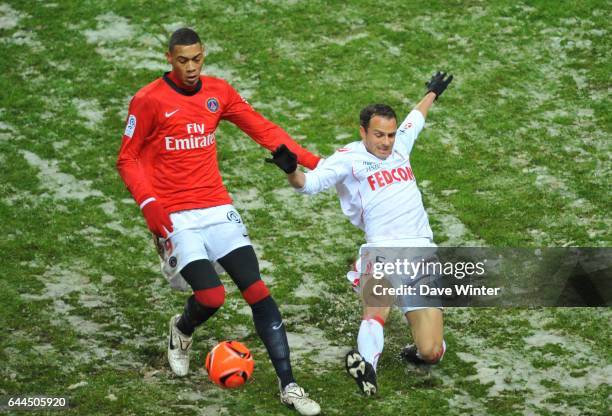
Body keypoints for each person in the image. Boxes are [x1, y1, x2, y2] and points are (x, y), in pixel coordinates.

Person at [116, 28, 321, 415]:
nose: (191, 68)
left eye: (197, 59)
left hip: (216, 206)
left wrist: (314, 162)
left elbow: (262, 128)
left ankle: (289, 385)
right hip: (175, 214)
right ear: (168, 58)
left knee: (257, 289)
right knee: (212, 297)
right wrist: (149, 204)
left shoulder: (218, 92)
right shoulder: (147, 101)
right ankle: (182, 330)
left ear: (203, 55)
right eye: (182, 60)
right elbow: (127, 158)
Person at [266, 72, 454, 395]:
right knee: (375, 310)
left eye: (391, 135)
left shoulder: (399, 147)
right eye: (379, 135)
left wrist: (432, 93)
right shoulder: (347, 159)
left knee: (432, 351)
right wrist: (291, 171)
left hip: (421, 253)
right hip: (380, 250)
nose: (386, 142)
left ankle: (417, 350)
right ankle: (367, 370)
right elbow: (307, 186)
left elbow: (415, 120)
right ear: (363, 132)